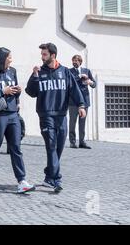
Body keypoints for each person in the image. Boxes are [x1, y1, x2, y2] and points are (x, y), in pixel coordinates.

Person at [25, 43, 86, 193]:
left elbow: (74, 90)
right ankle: (56, 179)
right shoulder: (40, 71)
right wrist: (34, 76)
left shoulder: (65, 72)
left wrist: (81, 105)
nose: (42, 57)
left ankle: (48, 177)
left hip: (61, 115)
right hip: (46, 115)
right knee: (51, 146)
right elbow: (31, 92)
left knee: (58, 147)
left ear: (53, 55)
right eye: (42, 54)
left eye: (44, 54)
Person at [0, 47, 35, 194]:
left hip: (13, 114)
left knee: (16, 148)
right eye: (9, 57)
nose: (11, 59)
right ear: (2, 58)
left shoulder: (12, 71)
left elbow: (15, 89)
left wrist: (17, 94)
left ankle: (22, 181)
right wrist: (2, 91)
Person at [68, 55, 96, 149]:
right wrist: (79, 76)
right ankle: (72, 142)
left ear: (80, 62)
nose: (74, 62)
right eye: (73, 60)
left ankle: (82, 142)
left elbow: (94, 84)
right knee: (72, 122)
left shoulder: (87, 71)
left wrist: (90, 82)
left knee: (82, 122)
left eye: (76, 60)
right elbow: (69, 82)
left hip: (84, 101)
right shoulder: (69, 71)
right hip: (73, 101)